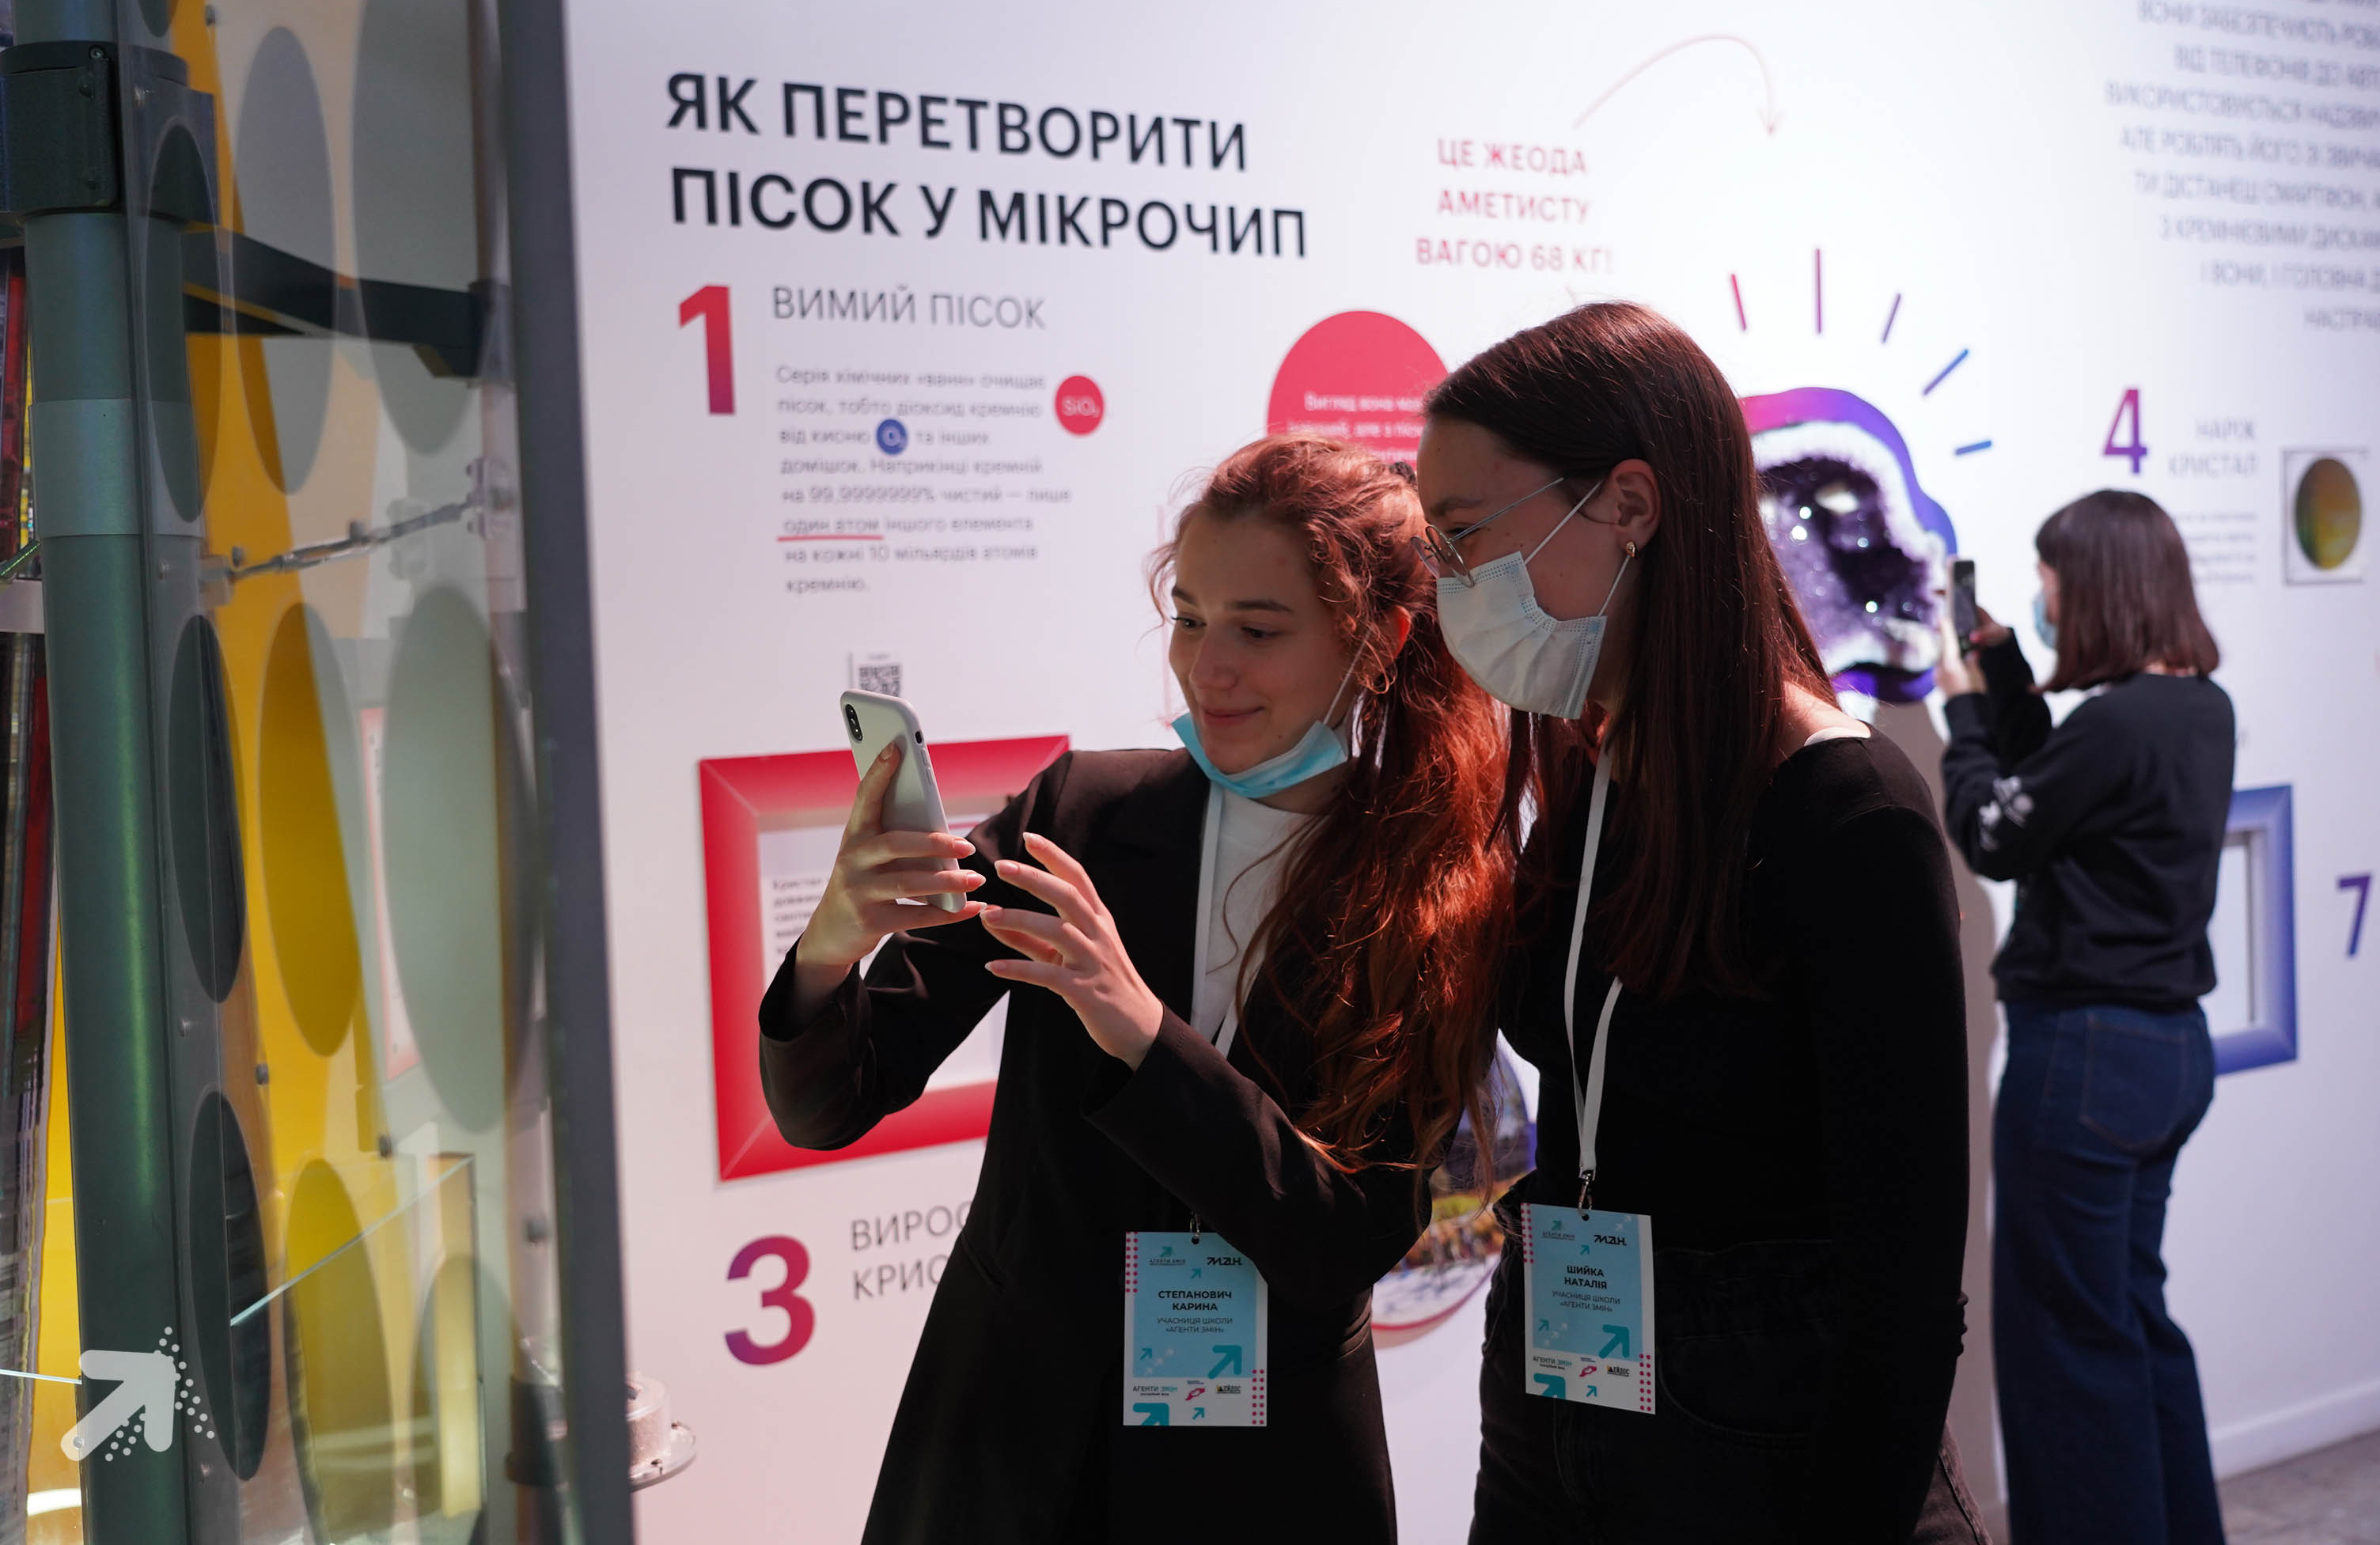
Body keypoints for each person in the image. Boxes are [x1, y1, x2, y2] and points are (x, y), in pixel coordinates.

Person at [757, 435, 1512, 1544]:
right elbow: (829, 1104)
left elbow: (1343, 1240)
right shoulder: (1080, 817)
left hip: (1265, 1474)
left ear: (1378, 642)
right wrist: (832, 943)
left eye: (1258, 630)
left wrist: (1145, 1035)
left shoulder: (1434, 897)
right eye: (1190, 620)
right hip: (1014, 1446)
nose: (1209, 668)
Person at [1416, 302, 1984, 1542]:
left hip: (1762, 1434)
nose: (1452, 583)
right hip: (1564, 1384)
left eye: (1465, 537)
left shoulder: (1845, 815)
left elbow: (1903, 1282)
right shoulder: (1595, 776)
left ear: (1629, 504)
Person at [1935, 489, 2233, 1545]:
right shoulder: (2197, 708)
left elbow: (1994, 829)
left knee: (2067, 1348)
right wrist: (2012, 677)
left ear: (2097, 585)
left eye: (2051, 576)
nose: (2044, 594)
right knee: (2131, 1321)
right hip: (2168, 1053)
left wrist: (1963, 716)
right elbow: (2060, 794)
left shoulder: (2118, 724)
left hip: (2086, 1060)